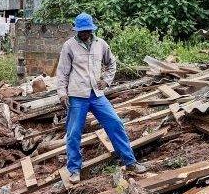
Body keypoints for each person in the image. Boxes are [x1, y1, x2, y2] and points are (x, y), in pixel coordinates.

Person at [57, 13, 148, 184]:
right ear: (76, 30)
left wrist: (106, 81)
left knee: (115, 124)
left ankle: (130, 162)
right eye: (81, 31)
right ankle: (74, 170)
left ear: (92, 29)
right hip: (77, 96)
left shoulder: (100, 44)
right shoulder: (69, 46)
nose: (84, 33)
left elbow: (111, 63)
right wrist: (62, 93)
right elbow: (62, 72)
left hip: (97, 95)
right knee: (74, 133)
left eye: (87, 30)